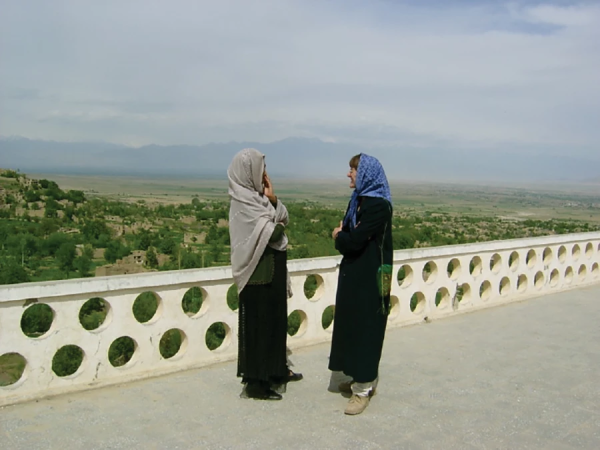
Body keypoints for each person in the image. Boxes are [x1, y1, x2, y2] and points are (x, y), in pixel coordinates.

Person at [228, 148, 302, 401]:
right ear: (248, 171)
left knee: (276, 324)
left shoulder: (260, 199)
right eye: (260, 167)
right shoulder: (243, 201)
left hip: (272, 273)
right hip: (257, 276)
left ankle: (276, 371)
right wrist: (278, 224)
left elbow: (284, 218)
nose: (264, 173)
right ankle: (257, 383)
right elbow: (273, 233)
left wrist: (272, 199)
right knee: (259, 329)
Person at [329, 153, 393, 415]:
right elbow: (351, 236)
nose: (349, 174)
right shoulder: (359, 200)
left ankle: (363, 389)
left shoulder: (378, 206)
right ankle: (357, 379)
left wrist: (339, 235)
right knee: (352, 326)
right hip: (356, 274)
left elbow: (352, 240)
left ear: (366, 173)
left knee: (367, 328)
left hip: (370, 277)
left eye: (353, 169)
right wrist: (345, 235)